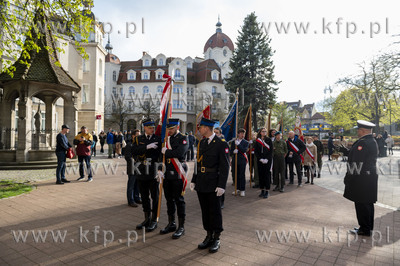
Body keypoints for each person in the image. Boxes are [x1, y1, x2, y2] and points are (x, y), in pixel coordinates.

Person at [190, 117, 230, 253]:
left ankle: (216, 238)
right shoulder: (202, 143)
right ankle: (208, 235)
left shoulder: (221, 144)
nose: (199, 130)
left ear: (206, 128)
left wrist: (222, 185)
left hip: (214, 182)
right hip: (201, 181)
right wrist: (193, 179)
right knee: (205, 211)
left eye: (200, 127)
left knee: (215, 211)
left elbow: (225, 166)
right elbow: (198, 162)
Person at [345, 120, 378, 237]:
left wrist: (348, 178)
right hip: (368, 177)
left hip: (362, 179)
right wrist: (346, 151)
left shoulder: (363, 143)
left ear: (362, 130)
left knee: (362, 204)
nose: (357, 131)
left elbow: (356, 163)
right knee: (367, 203)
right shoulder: (370, 141)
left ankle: (364, 229)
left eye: (358, 129)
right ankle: (367, 227)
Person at [160, 118, 189, 239]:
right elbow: (161, 156)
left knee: (179, 199)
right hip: (167, 173)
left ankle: (181, 227)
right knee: (169, 199)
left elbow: (180, 153)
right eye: (168, 129)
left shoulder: (183, 138)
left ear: (177, 127)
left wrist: (167, 152)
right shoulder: (166, 139)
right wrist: (159, 170)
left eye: (171, 129)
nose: (169, 131)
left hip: (178, 172)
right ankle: (171, 223)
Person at [133, 119, 162, 232]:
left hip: (153, 170)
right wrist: (146, 147)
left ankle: (154, 220)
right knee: (144, 196)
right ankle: (147, 219)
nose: (152, 129)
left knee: (154, 196)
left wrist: (160, 169)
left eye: (153, 127)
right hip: (141, 170)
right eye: (150, 127)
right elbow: (134, 151)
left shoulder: (158, 139)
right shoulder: (138, 139)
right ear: (144, 128)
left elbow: (160, 155)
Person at [254, 127, 273, 198]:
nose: (264, 132)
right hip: (260, 160)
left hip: (267, 160)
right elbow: (256, 151)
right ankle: (262, 190)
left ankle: (267, 191)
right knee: (261, 175)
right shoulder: (257, 140)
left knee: (267, 175)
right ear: (260, 132)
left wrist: (267, 159)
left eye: (265, 131)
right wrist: (260, 158)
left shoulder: (269, 140)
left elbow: (271, 151)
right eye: (263, 131)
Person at [230, 128, 249, 196]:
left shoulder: (246, 142)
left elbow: (244, 150)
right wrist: (233, 152)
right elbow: (230, 151)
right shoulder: (233, 142)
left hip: (242, 160)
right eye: (241, 133)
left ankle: (242, 189)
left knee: (241, 175)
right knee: (235, 175)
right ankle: (237, 188)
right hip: (235, 160)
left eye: (243, 133)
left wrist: (238, 145)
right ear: (238, 134)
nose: (242, 135)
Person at [125, 135, 141, 208]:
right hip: (132, 167)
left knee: (137, 184)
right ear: (133, 136)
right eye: (137, 135)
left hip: (139, 167)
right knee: (131, 185)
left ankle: (136, 197)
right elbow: (127, 156)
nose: (139, 136)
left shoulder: (139, 144)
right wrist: (134, 163)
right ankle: (130, 200)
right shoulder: (129, 145)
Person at [214, 127, 227, 209]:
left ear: (220, 134)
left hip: (220, 169)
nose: (215, 134)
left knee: (221, 186)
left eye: (217, 133)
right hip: (213, 169)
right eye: (214, 132)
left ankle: (221, 202)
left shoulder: (223, 143)